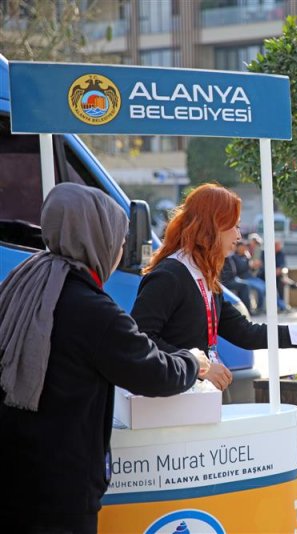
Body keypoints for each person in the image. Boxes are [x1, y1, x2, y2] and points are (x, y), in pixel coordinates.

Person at [0, 183, 205, 533]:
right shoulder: (94, 311)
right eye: (120, 240)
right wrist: (193, 362)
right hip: (60, 490)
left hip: (12, 473)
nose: (121, 249)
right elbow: (153, 373)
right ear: (98, 238)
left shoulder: (23, 280)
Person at [131, 183, 297, 392]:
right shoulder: (169, 275)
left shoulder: (203, 274)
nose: (238, 236)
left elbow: (245, 332)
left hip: (196, 396)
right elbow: (141, 339)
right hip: (170, 401)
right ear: (212, 226)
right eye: (234, 226)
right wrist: (197, 367)